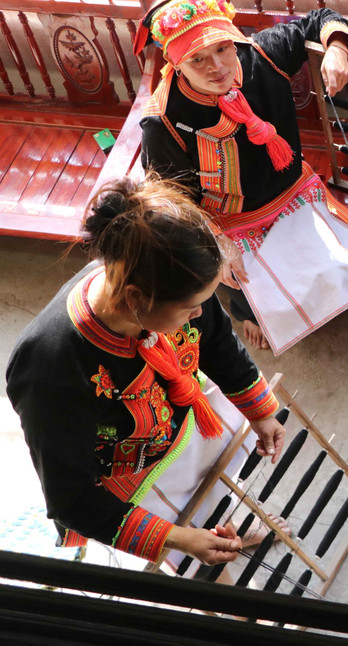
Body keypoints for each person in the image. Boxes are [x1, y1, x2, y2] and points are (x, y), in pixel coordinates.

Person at [6, 176, 287, 567]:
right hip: (133, 474)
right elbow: (72, 498)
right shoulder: (48, 370)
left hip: (181, 416)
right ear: (136, 299)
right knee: (201, 556)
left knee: (215, 494)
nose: (200, 314)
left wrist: (260, 411)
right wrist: (180, 539)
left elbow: (215, 338)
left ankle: (228, 522)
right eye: (192, 306)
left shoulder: (155, 282)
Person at [136, 0, 348, 353]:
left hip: (291, 189)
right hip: (233, 218)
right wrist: (217, 242)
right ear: (176, 64)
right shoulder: (164, 119)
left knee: (327, 266)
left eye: (223, 48)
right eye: (198, 59)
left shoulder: (261, 56)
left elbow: (319, 20)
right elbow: (171, 199)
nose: (218, 66)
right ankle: (248, 313)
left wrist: (337, 50)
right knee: (245, 282)